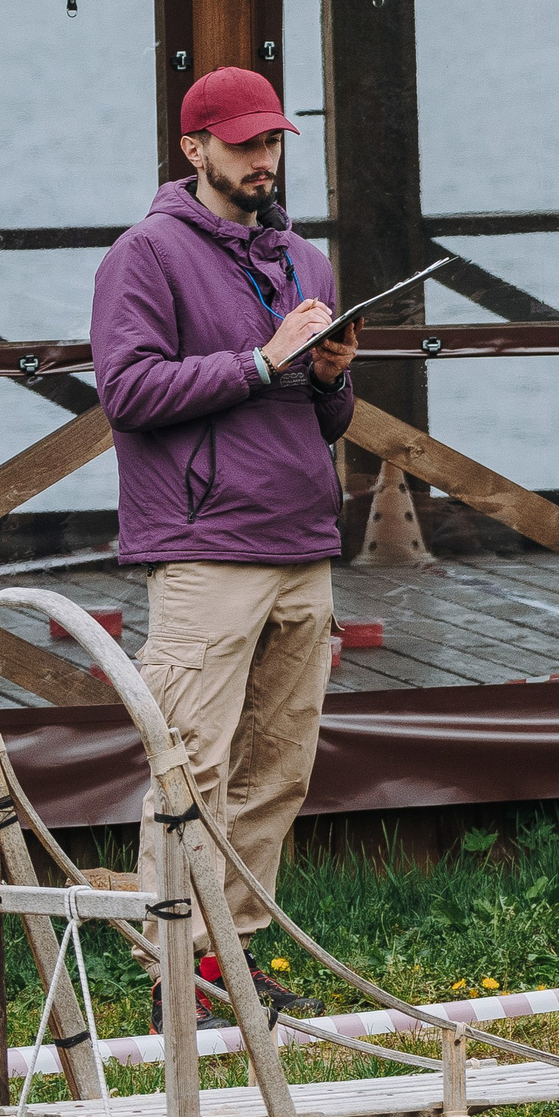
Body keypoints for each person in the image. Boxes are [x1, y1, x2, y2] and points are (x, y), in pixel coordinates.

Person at [91, 67, 359, 1030]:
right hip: (203, 548)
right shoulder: (144, 256)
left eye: (274, 141)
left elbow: (325, 419)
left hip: (301, 541)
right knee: (189, 768)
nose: (263, 159)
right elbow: (126, 392)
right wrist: (259, 362)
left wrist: (329, 377)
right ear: (193, 148)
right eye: (243, 143)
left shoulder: (307, 264)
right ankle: (177, 973)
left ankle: (230, 962)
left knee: (278, 767)